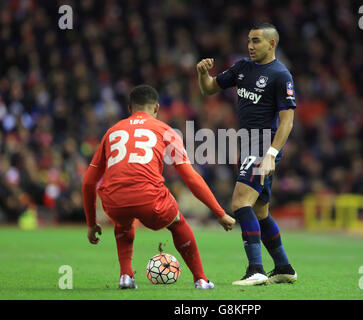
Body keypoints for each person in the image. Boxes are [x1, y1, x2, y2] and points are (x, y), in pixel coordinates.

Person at [82, 85, 235, 290]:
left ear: (129, 108)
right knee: (178, 222)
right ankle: (201, 279)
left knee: (123, 221)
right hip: (149, 199)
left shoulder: (112, 132)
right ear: (156, 108)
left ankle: (126, 276)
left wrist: (92, 223)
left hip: (114, 201)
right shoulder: (165, 130)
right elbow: (190, 177)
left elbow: (88, 182)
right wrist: (219, 213)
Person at [196, 23, 297, 285]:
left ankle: (256, 269)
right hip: (248, 144)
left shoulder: (280, 75)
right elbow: (209, 88)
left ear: (271, 44)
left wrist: (272, 154)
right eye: (249, 41)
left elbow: (287, 121)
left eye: (256, 41)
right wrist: (202, 74)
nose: (250, 46)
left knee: (240, 203)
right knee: (261, 211)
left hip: (264, 145)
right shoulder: (242, 68)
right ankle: (284, 267)